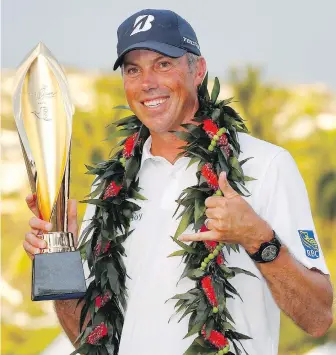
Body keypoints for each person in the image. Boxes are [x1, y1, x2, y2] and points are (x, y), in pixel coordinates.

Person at [23, 9, 333, 355]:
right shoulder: (109, 189)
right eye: (133, 69)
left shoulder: (267, 165)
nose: (147, 83)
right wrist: (58, 256)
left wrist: (258, 238)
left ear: (197, 70)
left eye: (163, 64)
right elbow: (90, 337)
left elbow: (318, 317)